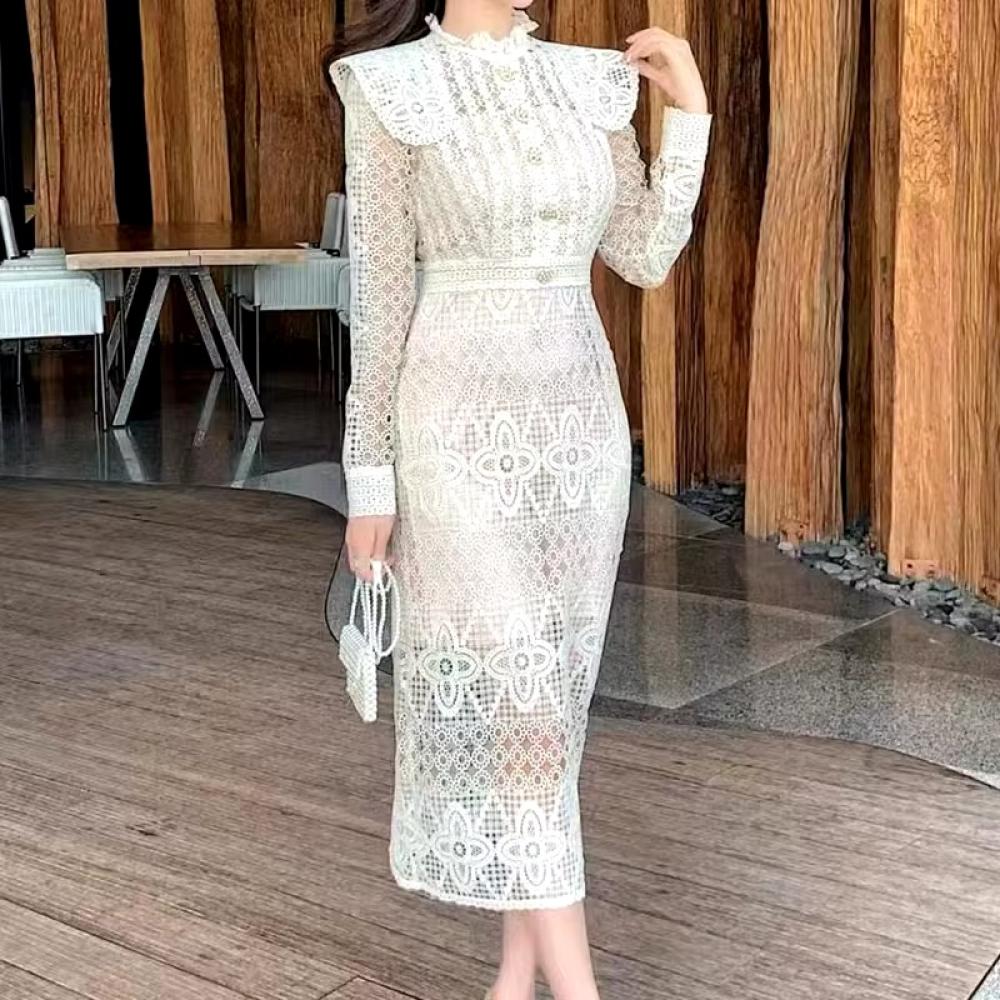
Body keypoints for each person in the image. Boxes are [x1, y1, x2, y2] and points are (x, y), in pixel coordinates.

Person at [325, 3, 710, 997]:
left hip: (578, 438)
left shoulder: (591, 83)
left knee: (544, 714)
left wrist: (690, 117)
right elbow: (378, 303)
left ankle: (513, 977)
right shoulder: (388, 89)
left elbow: (643, 254)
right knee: (521, 694)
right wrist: (370, 479)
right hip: (454, 437)